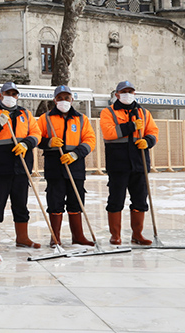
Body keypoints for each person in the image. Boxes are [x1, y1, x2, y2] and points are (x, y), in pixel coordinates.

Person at [0, 82, 41, 252]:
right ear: (0, 95)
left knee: (21, 203)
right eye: (7, 93)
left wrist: (26, 144)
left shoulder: (25, 114)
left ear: (17, 96)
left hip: (21, 165)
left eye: (14, 94)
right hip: (0, 165)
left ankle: (22, 237)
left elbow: (36, 133)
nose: (11, 96)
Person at [100, 80, 159, 246]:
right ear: (117, 94)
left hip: (139, 163)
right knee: (116, 200)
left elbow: (153, 131)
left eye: (131, 91)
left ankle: (137, 234)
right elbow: (109, 132)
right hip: (118, 164)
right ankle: (115, 235)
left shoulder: (144, 112)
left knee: (140, 200)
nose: (128, 94)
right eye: (124, 91)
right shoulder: (108, 112)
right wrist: (131, 126)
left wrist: (148, 141)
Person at [37, 85, 96, 247]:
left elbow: (90, 140)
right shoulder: (45, 118)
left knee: (76, 200)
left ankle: (78, 236)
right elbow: (36, 137)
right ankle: (55, 237)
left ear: (72, 99)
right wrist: (48, 142)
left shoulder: (81, 119)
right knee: (55, 200)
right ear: (55, 100)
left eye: (67, 98)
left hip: (75, 165)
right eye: (60, 98)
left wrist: (75, 154)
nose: (64, 101)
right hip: (54, 165)